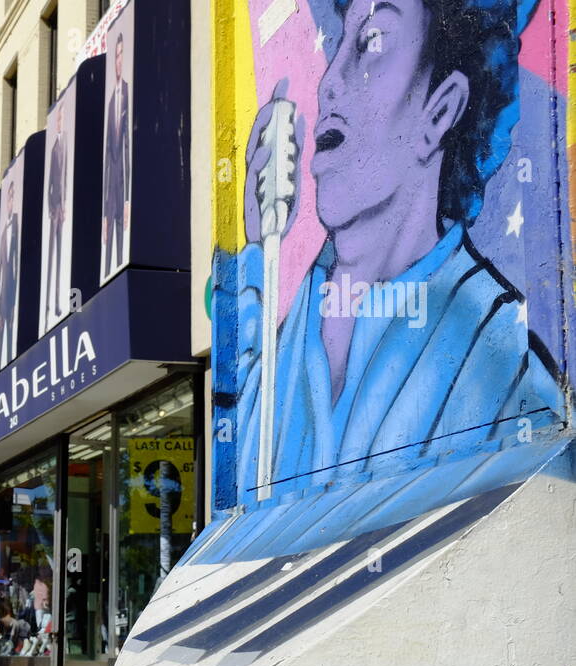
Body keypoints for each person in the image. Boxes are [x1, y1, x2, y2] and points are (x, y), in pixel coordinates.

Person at [226, 0, 562, 504]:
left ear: (440, 110)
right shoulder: (286, 345)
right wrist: (256, 249)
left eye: (373, 42)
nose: (329, 82)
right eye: (340, 43)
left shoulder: (503, 374)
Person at [102, 31, 131, 277]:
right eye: (117, 56)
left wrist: (128, 199)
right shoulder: (110, 101)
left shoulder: (128, 93)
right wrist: (104, 211)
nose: (119, 60)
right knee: (108, 264)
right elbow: (106, 160)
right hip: (110, 192)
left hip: (123, 188)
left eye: (122, 54)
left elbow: (128, 146)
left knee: (123, 257)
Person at [44, 103, 68, 327]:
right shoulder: (54, 149)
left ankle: (59, 300)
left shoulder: (67, 144)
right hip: (55, 211)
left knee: (61, 255)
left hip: (64, 209)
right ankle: (50, 304)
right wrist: (54, 208)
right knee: (53, 255)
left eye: (62, 119)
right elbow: (51, 184)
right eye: (58, 119)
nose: (60, 123)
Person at [0, 179, 20, 373]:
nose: (10, 202)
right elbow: (0, 273)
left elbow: (18, 266)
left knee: (12, 348)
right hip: (2, 296)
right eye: (8, 199)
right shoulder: (3, 234)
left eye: (12, 197)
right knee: (0, 350)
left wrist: (14, 302)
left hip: (14, 294)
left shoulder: (18, 224)